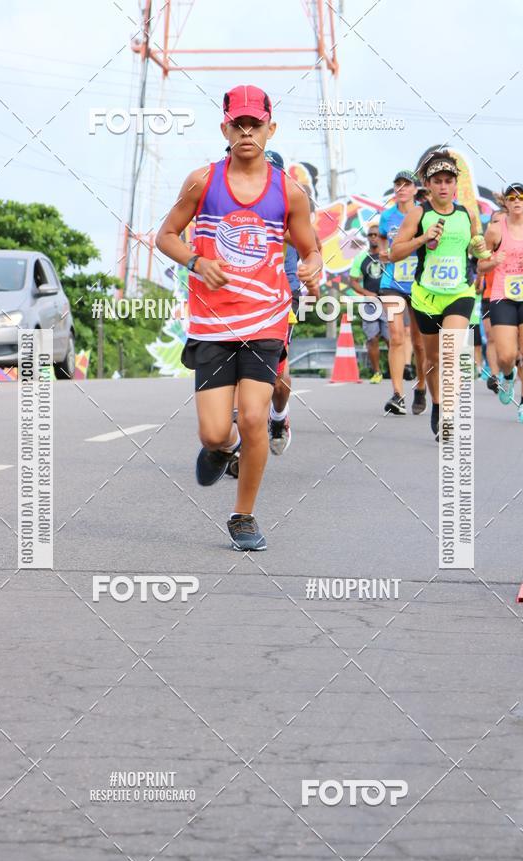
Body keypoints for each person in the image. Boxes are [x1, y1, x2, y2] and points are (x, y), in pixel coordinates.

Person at [156, 84, 321, 550]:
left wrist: (312, 267)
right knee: (214, 432)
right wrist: (195, 261)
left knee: (252, 419)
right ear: (224, 127)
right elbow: (166, 235)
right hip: (212, 324)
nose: (247, 131)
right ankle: (219, 450)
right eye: (239, 123)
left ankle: (243, 515)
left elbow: (310, 248)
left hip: (266, 320)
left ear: (271, 128)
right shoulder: (202, 181)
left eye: (256, 123)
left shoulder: (289, 192)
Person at [391, 150, 481, 442]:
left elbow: (476, 250)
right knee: (431, 359)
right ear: (428, 185)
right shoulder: (420, 213)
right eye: (437, 181)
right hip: (426, 295)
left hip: (460, 293)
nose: (443, 186)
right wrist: (422, 238)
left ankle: (450, 413)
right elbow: (394, 253)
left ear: (456, 185)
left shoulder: (466, 213)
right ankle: (438, 403)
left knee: (451, 354)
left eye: (448, 181)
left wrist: (482, 253)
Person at [264, 151, 322, 455]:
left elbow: (314, 250)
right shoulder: (236, 199)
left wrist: (313, 281)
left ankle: (277, 417)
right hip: (241, 297)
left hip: (284, 295)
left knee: (276, 374)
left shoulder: (293, 208)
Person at [477, 183, 523, 423]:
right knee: (506, 355)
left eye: (522, 197)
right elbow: (481, 265)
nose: (517, 201)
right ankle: (508, 375)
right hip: (502, 295)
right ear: (505, 202)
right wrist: (494, 260)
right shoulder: (495, 231)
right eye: (512, 198)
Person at [378, 170, 427, 415]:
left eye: (406, 185)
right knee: (396, 335)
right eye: (398, 184)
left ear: (415, 190)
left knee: (419, 342)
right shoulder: (387, 217)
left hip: (419, 283)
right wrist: (383, 253)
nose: (402, 188)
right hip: (393, 282)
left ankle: (420, 386)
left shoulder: (424, 214)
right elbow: (381, 245)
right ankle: (397, 394)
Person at [349, 223, 389, 383]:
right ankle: (377, 372)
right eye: (371, 235)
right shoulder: (361, 258)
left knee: (391, 339)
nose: (374, 237)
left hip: (389, 302)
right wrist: (367, 293)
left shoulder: (389, 255)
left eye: (377, 234)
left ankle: (397, 371)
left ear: (382, 237)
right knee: (372, 338)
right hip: (370, 304)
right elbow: (353, 281)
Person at [479, 209, 505, 393]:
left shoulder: (517, 241)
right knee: (490, 336)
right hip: (489, 295)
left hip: (512, 296)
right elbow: (480, 269)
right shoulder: (485, 245)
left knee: (511, 342)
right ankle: (495, 376)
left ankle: (510, 369)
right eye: (494, 221)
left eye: (501, 221)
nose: (497, 225)